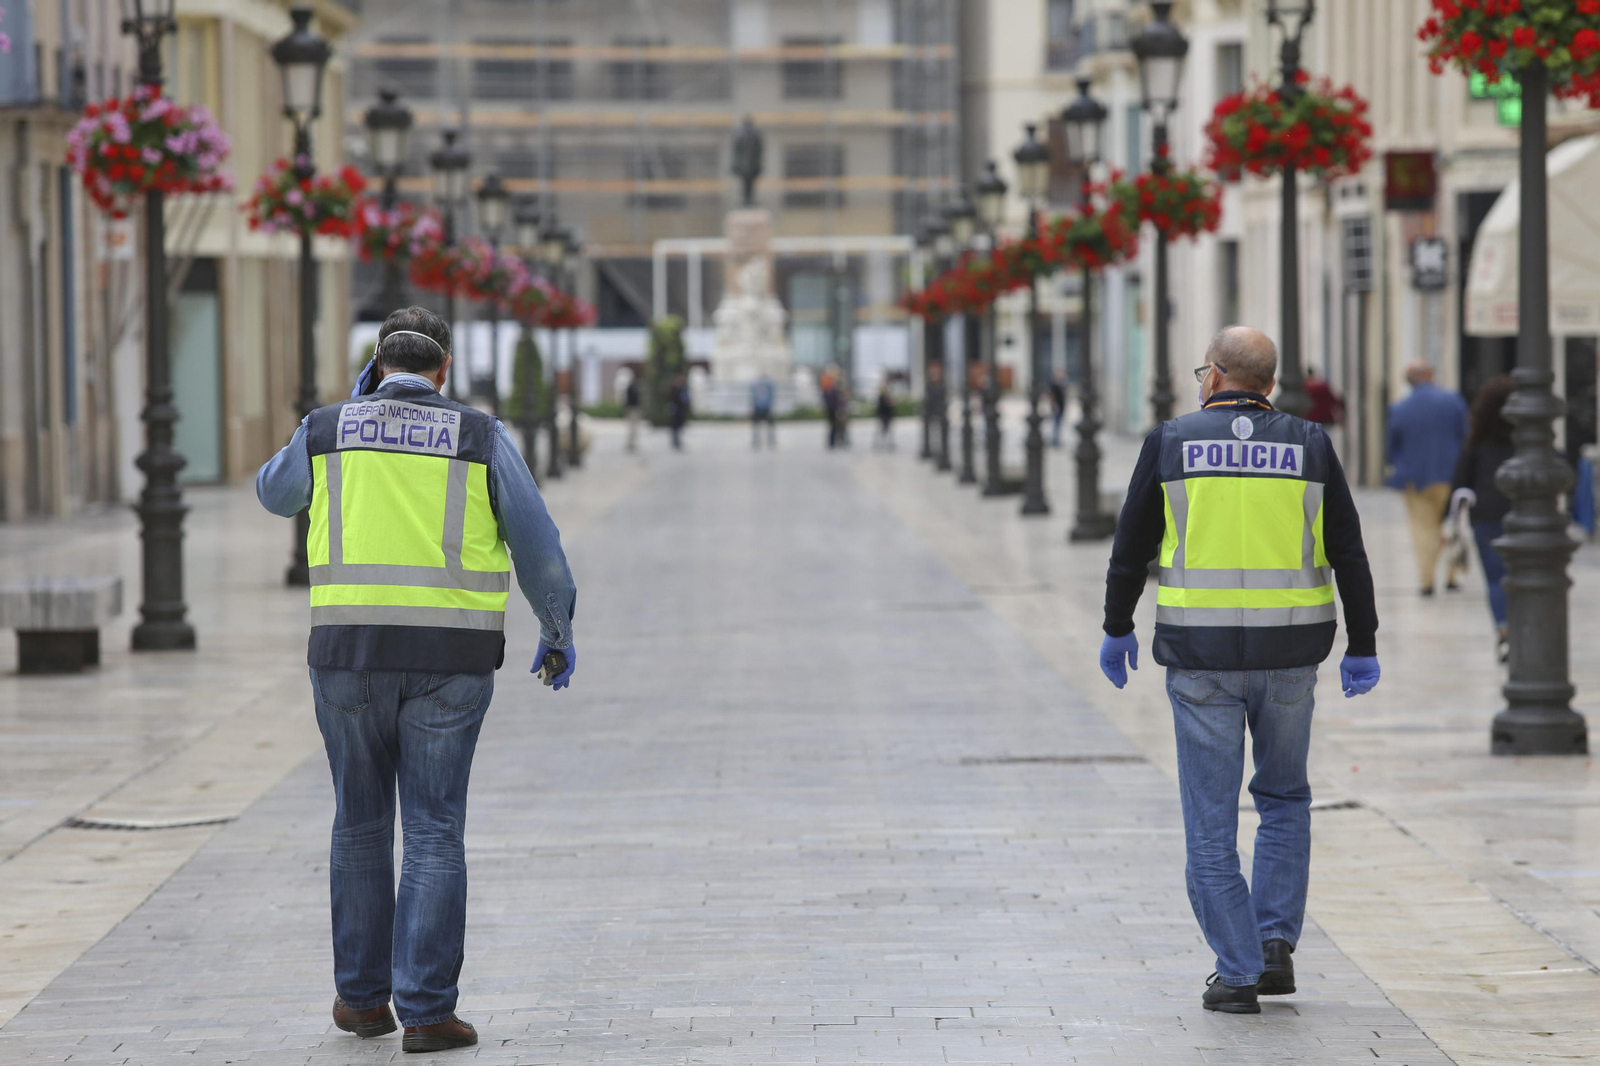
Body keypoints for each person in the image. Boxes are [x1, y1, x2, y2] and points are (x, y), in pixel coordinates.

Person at [258, 308, 577, 1054]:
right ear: (446, 368)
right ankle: (429, 1012)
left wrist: (337, 414)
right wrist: (556, 629)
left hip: (346, 657)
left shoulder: (328, 429)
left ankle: (363, 1001)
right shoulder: (481, 436)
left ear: (376, 366)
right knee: (434, 827)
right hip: (450, 661)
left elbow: (276, 493)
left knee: (359, 823)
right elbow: (539, 547)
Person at [1098, 326, 1380, 1016]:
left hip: (1201, 659)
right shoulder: (1310, 445)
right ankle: (1274, 944)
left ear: (1217, 374)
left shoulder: (1172, 440)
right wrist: (1363, 641)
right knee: (1284, 799)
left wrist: (1116, 626)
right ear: (1270, 384)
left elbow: (1131, 545)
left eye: (1203, 371)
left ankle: (1238, 971)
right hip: (1291, 657)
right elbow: (1348, 549)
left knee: (1210, 820)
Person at [1386, 362, 1469, 595]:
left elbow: (1391, 448)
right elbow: (1466, 437)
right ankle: (1452, 576)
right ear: (1430, 375)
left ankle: (1427, 580)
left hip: (1416, 479)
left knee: (1423, 530)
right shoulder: (1454, 401)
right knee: (1454, 525)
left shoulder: (1400, 408)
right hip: (1452, 476)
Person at [1451, 375, 1515, 661]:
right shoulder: (1528, 439)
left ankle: (1504, 630)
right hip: (1522, 512)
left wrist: (1450, 517)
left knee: (1495, 578)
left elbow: (1461, 480)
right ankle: (1522, 629)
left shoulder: (1477, 441)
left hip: (1486, 515)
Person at [751, 373, 776, 450]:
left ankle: (768, 440)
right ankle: (760, 440)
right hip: (762, 407)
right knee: (758, 425)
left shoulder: (765, 386)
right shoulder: (767, 385)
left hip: (762, 407)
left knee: (762, 425)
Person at [667, 373, 690, 450]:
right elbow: (671, 398)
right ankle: (675, 441)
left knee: (679, 426)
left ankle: (677, 441)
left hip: (680, 410)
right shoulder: (674, 388)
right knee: (675, 426)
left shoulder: (682, 388)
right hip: (675, 410)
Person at [875, 381, 896, 451]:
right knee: (882, 430)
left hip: (888, 415)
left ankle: (888, 443)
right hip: (883, 415)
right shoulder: (881, 397)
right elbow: (881, 407)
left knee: (888, 430)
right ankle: (881, 443)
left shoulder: (888, 396)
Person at [623, 373, 641, 453]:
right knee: (633, 428)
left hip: (632, 408)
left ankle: (631, 443)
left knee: (633, 428)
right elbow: (634, 398)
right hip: (633, 409)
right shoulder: (632, 387)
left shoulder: (630, 387)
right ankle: (631, 444)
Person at [1049, 370, 1067, 447]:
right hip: (1057, 408)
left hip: (1060, 408)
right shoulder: (1054, 386)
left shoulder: (1059, 385)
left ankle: (1056, 440)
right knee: (1056, 425)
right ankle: (1055, 440)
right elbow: (1052, 397)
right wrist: (1054, 406)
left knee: (1057, 425)